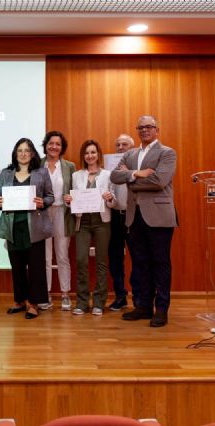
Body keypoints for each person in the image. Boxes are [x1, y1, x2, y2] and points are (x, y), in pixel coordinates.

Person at [111, 115, 177, 327]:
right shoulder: (130, 153)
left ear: (157, 129)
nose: (145, 130)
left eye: (149, 127)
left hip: (159, 216)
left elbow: (159, 181)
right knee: (140, 263)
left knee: (160, 263)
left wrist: (130, 179)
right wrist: (138, 173)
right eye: (141, 127)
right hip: (134, 216)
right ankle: (144, 307)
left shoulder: (167, 153)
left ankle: (161, 309)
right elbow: (114, 176)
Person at [0, 138, 54, 319]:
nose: (23, 154)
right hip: (13, 226)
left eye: (27, 150)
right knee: (17, 266)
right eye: (19, 150)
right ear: (15, 153)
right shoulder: (6, 173)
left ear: (32, 154)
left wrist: (42, 202)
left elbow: (50, 196)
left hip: (34, 227)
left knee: (36, 267)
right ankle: (19, 300)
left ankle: (34, 303)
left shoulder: (41, 173)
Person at [65, 140, 116, 316]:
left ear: (98, 155)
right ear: (83, 156)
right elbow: (73, 198)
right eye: (87, 153)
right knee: (81, 260)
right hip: (83, 222)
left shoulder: (108, 175)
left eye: (93, 152)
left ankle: (99, 303)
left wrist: (110, 198)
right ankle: (82, 301)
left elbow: (113, 201)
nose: (90, 156)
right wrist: (69, 200)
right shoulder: (76, 176)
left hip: (102, 221)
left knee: (102, 262)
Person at [40, 130, 76, 311]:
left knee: (62, 255)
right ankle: (45, 294)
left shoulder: (69, 166)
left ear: (62, 148)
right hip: (43, 214)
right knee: (44, 256)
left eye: (58, 144)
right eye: (51, 143)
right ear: (45, 145)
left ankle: (65, 294)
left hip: (63, 212)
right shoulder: (37, 164)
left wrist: (72, 197)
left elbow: (75, 190)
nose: (54, 147)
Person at [107, 134, 138, 311]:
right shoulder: (111, 167)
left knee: (137, 256)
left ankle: (139, 296)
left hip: (134, 217)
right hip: (115, 216)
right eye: (117, 144)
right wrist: (109, 198)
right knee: (115, 257)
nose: (120, 147)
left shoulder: (138, 166)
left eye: (124, 144)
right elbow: (108, 190)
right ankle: (120, 295)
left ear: (132, 148)